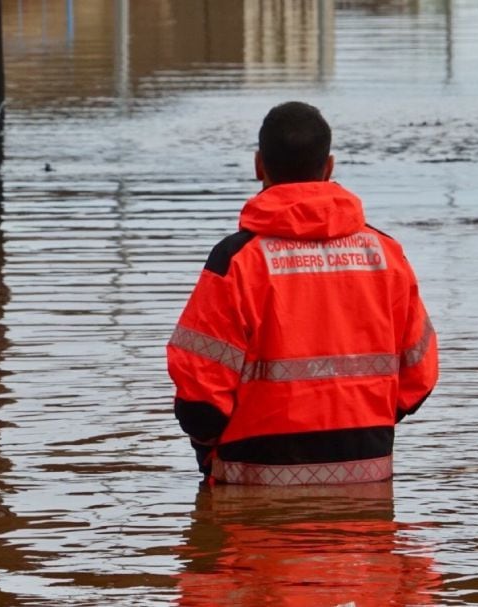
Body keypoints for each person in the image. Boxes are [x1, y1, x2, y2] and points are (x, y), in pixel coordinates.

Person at [166, 101, 438, 486]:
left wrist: (210, 446)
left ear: (259, 165)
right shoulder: (384, 254)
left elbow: (200, 397)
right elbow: (419, 374)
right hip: (365, 476)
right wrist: (361, 420)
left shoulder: (239, 261)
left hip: (255, 479)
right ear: (328, 167)